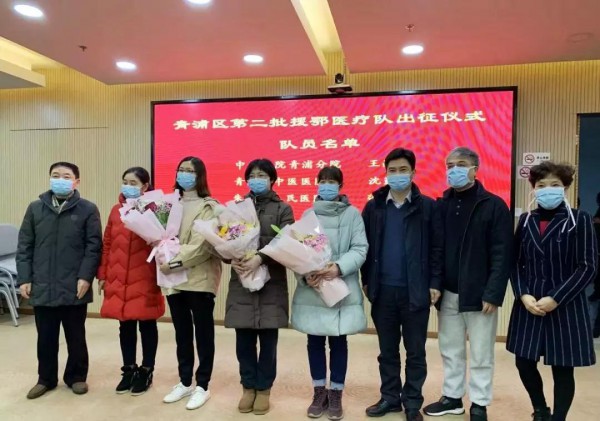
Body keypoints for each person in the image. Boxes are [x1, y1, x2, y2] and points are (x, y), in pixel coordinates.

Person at [423, 147, 512, 421]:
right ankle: (452, 397)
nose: (454, 170)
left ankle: (479, 403)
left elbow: (502, 253)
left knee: (482, 353)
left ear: (475, 169)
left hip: (480, 294)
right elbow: (436, 249)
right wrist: (435, 283)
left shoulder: (493, 205)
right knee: (450, 349)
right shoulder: (442, 205)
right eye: (450, 165)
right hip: (447, 292)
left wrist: (493, 293)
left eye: (460, 164)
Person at [506, 161, 597, 421]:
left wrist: (556, 298)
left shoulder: (580, 219)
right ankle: (540, 409)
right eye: (541, 185)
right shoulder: (526, 220)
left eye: (555, 184)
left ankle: (558, 418)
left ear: (565, 187)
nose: (548, 189)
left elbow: (588, 266)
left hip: (566, 305)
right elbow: (514, 262)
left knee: (562, 368)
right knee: (524, 362)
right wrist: (523, 294)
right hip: (529, 303)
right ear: (533, 188)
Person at [362, 148, 443, 421]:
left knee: (415, 352)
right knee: (387, 351)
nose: (397, 175)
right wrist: (366, 280)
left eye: (403, 170)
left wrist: (435, 282)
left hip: (415, 291)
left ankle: (412, 402)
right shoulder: (374, 207)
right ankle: (389, 398)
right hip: (383, 290)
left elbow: (437, 249)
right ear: (385, 173)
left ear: (413, 172)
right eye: (392, 170)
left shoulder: (428, 206)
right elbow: (364, 247)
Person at [16, 162, 102, 399]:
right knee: (45, 337)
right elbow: (25, 246)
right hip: (42, 283)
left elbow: (94, 247)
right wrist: (24, 278)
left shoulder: (87, 209)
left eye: (66, 176)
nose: (60, 180)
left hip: (74, 285)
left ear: (76, 181)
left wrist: (86, 276)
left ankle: (77, 377)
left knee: (76, 336)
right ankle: (45, 379)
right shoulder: (35, 208)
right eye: (56, 175)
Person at [291, 166, 369, 420]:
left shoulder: (352, 215)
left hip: (341, 287)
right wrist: (306, 274)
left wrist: (338, 267)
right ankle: (318, 392)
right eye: (322, 181)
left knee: (338, 342)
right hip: (314, 289)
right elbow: (297, 251)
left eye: (331, 181)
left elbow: (360, 248)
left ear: (341, 186)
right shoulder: (308, 214)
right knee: (314, 341)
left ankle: (336, 393)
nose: (326, 185)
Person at [224, 158, 294, 415]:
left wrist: (260, 258)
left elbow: (286, 243)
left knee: (268, 341)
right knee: (243, 340)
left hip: (271, 283)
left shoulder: (283, 209)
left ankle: (264, 389)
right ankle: (248, 387)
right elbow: (223, 239)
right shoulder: (236, 209)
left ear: (272, 179)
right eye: (252, 175)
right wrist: (230, 256)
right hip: (242, 280)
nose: (256, 179)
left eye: (262, 175)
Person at [160, 156, 222, 411]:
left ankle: (202, 385)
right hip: (173, 279)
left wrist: (173, 262)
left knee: (203, 333)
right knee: (182, 333)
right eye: (181, 169)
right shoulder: (167, 204)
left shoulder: (211, 207)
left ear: (200, 176)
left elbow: (202, 246)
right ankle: (185, 381)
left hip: (199, 278)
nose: (184, 174)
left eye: (190, 170)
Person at [97, 167, 165, 395]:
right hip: (118, 275)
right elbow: (107, 243)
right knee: (125, 325)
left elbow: (164, 241)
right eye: (125, 181)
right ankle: (128, 369)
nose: (127, 186)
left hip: (144, 275)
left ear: (145, 186)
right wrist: (103, 274)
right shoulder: (116, 210)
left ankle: (146, 370)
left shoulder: (156, 208)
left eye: (133, 182)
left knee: (147, 323)